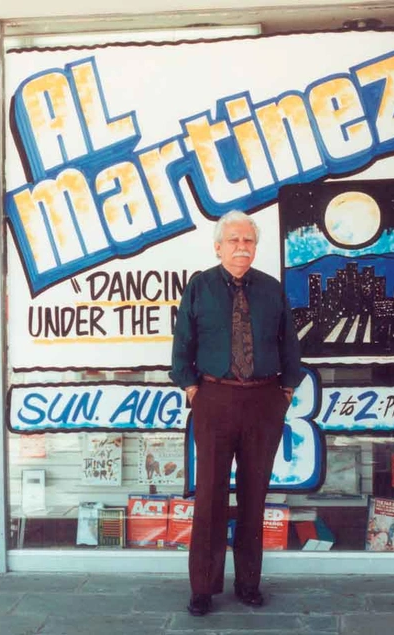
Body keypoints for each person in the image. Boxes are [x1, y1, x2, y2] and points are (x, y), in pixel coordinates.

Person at [170, 210, 302, 616]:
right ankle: (203, 588)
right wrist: (192, 388)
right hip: (215, 398)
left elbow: (289, 344)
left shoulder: (271, 289)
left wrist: (285, 391)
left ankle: (248, 583)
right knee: (209, 493)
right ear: (217, 246)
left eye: (248, 241)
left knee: (253, 495)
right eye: (233, 241)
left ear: (255, 247)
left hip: (264, 401)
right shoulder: (199, 287)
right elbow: (182, 344)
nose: (241, 247)